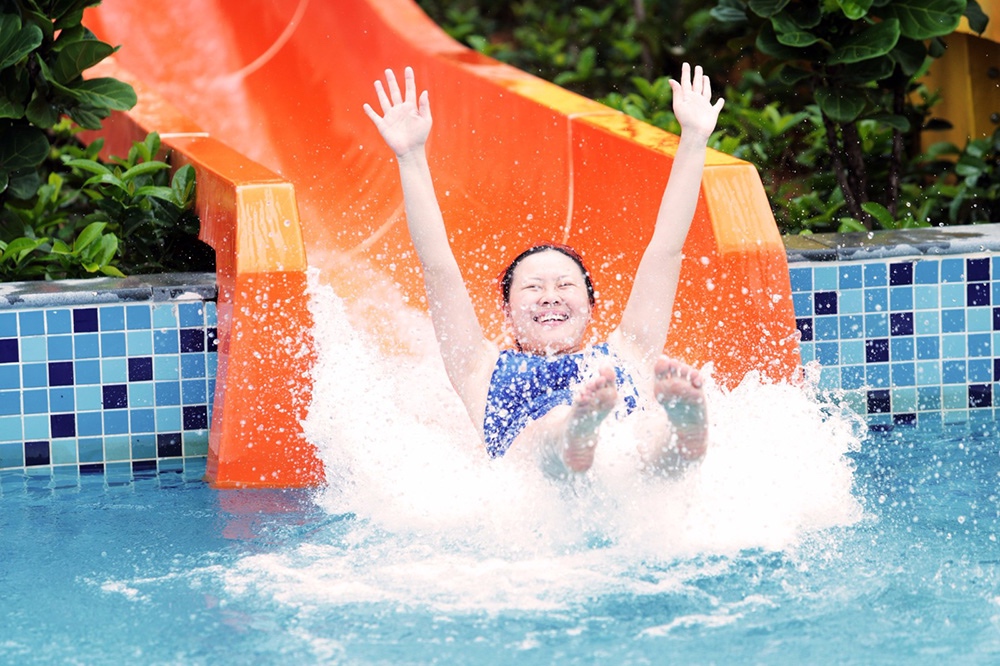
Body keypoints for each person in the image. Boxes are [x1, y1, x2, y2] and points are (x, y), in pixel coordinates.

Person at [363, 63, 723, 477]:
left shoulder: (627, 352)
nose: (550, 296)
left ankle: (682, 436)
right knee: (550, 430)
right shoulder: (478, 368)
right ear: (506, 309)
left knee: (651, 448)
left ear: (591, 304)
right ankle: (576, 431)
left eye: (565, 284)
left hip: (621, 478)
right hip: (543, 470)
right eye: (533, 287)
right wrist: (410, 157)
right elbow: (437, 267)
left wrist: (694, 139)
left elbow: (666, 250)